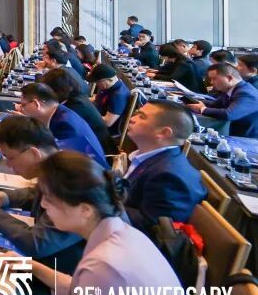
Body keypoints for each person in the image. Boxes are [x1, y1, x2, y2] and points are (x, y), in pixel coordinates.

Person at [26, 151, 192, 295]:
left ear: (85, 210)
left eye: (49, 199)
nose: (43, 205)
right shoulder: (123, 232)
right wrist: (31, 267)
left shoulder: (105, 264)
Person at [0, 117, 84, 295]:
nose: (8, 165)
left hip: (63, 291)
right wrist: (3, 198)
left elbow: (36, 243)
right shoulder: (59, 166)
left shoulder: (73, 186)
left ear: (34, 153)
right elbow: (35, 193)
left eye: (9, 157)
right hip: (50, 270)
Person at [121, 100, 206, 233]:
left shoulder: (168, 177)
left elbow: (151, 229)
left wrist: (103, 203)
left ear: (164, 132)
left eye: (141, 116)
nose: (132, 119)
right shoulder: (152, 158)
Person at [18, 83, 108, 168]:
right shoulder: (60, 112)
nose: (22, 109)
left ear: (36, 104)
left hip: (89, 176)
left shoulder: (65, 125)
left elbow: (55, 163)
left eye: (23, 105)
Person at [41, 68, 116, 155]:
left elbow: (54, 133)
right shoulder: (76, 96)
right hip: (93, 145)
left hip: (99, 152)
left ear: (55, 90)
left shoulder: (73, 107)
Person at [188, 63, 258, 138]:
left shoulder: (246, 93)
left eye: (214, 79)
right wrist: (194, 101)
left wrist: (202, 109)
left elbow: (228, 114)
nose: (211, 82)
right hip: (232, 131)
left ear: (229, 78)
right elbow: (214, 104)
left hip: (246, 138)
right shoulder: (231, 89)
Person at [89, 64, 130, 136]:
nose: (96, 84)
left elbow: (107, 122)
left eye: (97, 82)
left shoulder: (118, 96)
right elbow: (96, 99)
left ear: (107, 80)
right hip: (97, 115)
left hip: (104, 131)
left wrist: (87, 114)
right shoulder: (109, 87)